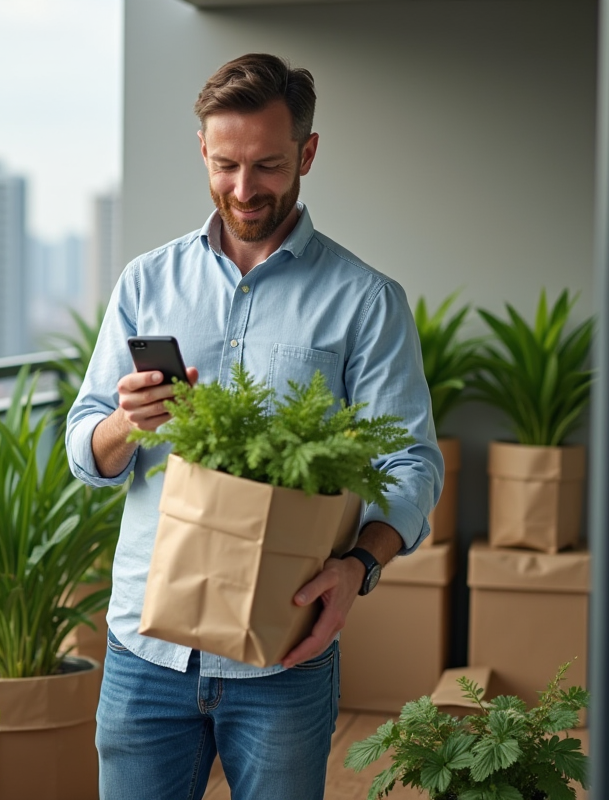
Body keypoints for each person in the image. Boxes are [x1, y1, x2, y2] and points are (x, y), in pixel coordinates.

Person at [66, 53, 444, 800]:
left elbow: (411, 464)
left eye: (268, 165)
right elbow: (85, 446)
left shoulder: (365, 301)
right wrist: (125, 424)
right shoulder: (147, 281)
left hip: (282, 654)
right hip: (146, 649)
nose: (244, 189)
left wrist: (358, 567)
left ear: (306, 152)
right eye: (226, 164)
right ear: (202, 150)